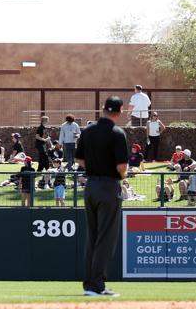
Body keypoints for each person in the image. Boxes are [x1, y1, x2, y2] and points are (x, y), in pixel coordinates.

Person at [75, 95, 129, 297]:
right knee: (106, 238)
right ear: (120, 111)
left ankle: (89, 284)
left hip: (90, 186)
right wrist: (122, 176)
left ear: (103, 108)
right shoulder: (117, 133)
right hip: (108, 186)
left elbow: (79, 159)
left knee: (93, 237)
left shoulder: (88, 130)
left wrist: (95, 167)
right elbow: (121, 167)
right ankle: (97, 286)